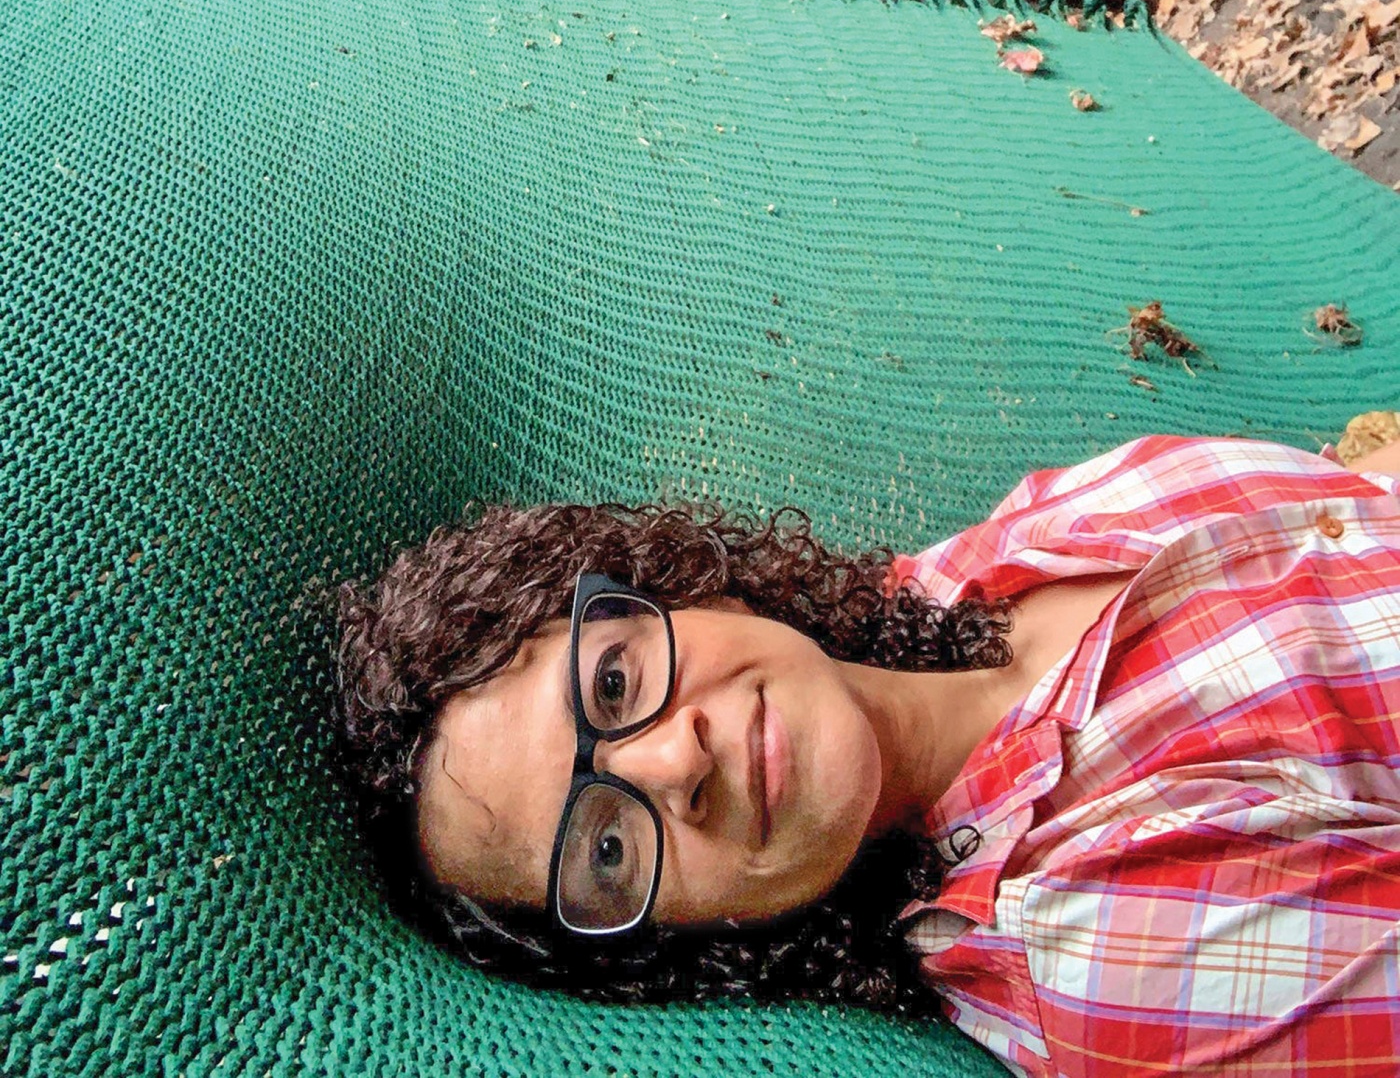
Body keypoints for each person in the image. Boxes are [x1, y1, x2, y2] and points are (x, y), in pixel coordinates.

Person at [335, 430, 1400, 1076]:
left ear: (672, 587)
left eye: (613, 684)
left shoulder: (999, 550)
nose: (669, 766)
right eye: (606, 850)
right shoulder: (1112, 942)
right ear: (674, 941)